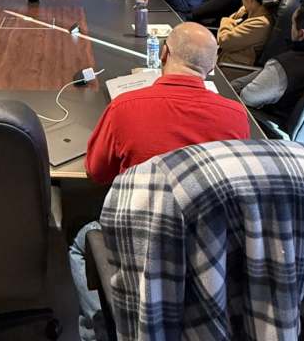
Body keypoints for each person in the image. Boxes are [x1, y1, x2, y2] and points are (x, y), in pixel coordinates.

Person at [71, 22, 251, 341]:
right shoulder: (236, 115)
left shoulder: (124, 107)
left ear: (164, 54)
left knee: (82, 241)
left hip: (140, 240)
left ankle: (98, 329)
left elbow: (95, 173)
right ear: (212, 66)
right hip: (211, 247)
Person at [101, 140, 304, 340]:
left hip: (194, 237)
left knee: (82, 242)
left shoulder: (149, 185)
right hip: (300, 308)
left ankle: (92, 330)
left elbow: (96, 168)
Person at [232, 0, 304, 130]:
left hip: (275, 129)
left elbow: (248, 98)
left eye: (292, 24)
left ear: (301, 34)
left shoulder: (285, 65)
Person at [217, 0, 278, 65]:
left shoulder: (261, 23)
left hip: (232, 68)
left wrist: (226, 20)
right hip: (225, 60)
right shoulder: (252, 12)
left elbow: (224, 41)